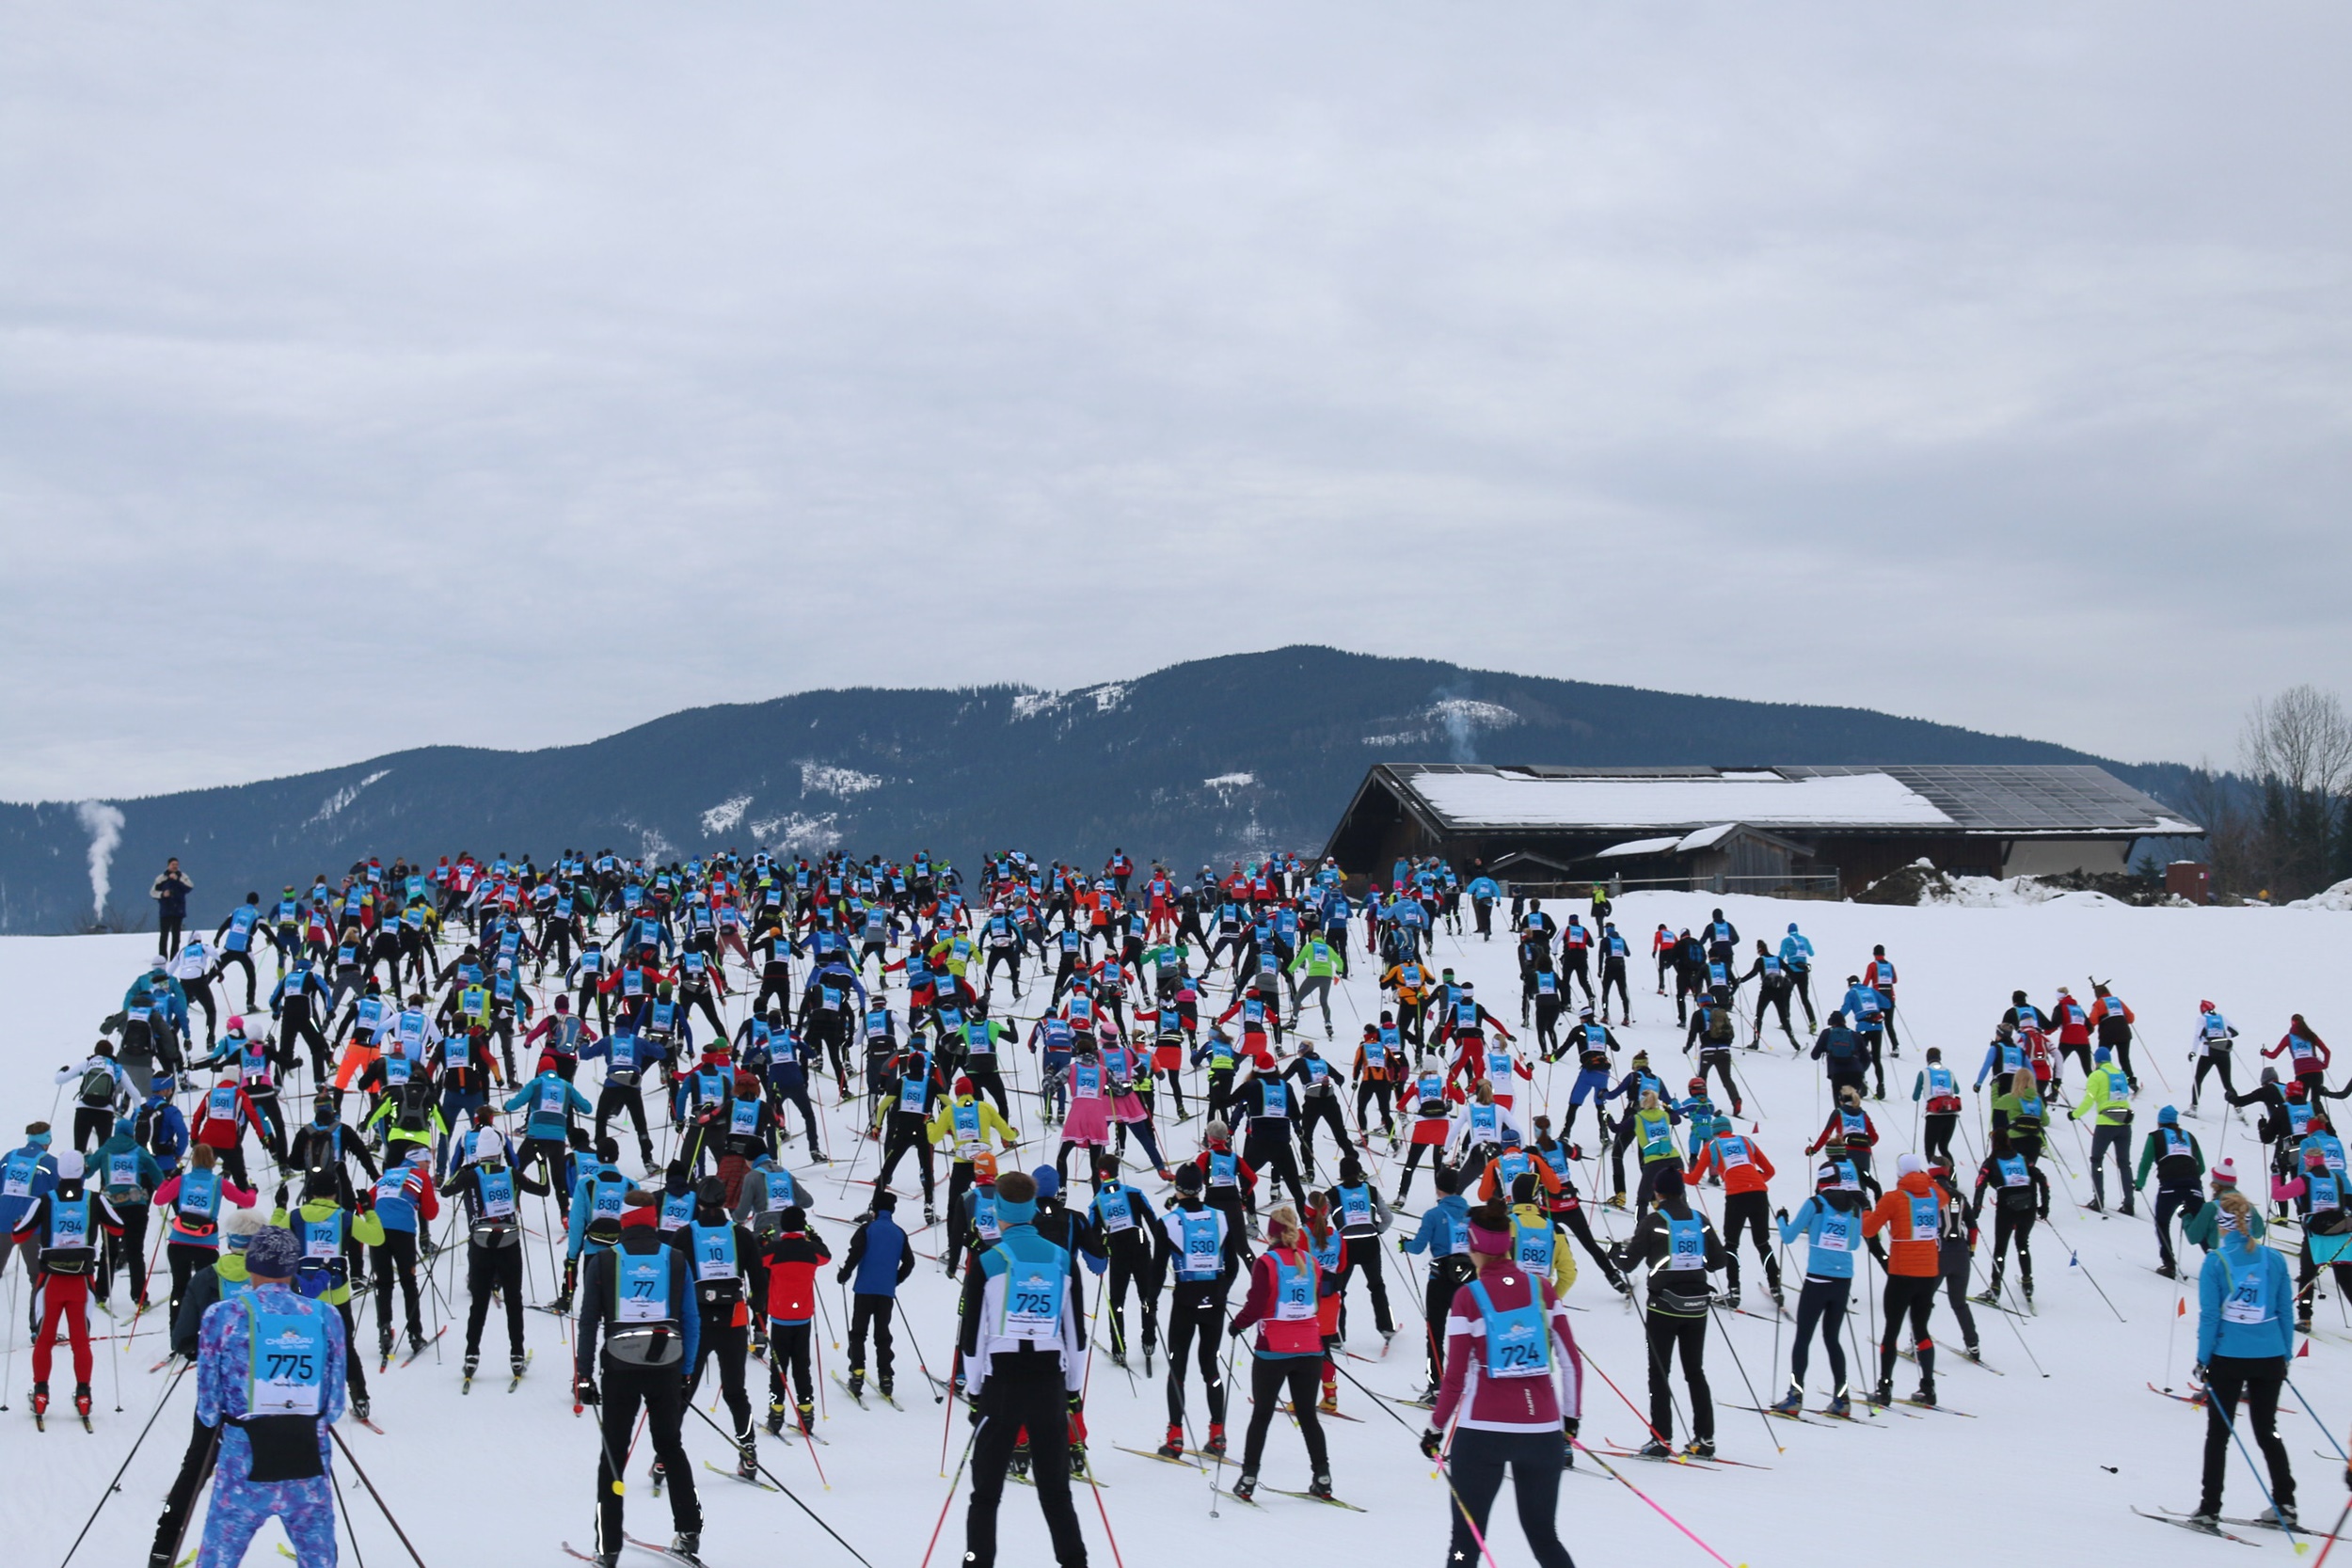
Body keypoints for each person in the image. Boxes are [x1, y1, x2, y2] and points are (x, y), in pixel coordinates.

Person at [1422, 1197, 1581, 1567]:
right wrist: (1570, 1420)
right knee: (1544, 1535)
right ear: (1509, 1243)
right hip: (1542, 1433)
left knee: (1465, 1541)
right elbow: (1571, 1362)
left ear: (1474, 1247)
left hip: (1482, 1436)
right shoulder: (1543, 1289)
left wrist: (1434, 1429)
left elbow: (1456, 1378)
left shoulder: (1468, 1297)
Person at [189, 1224, 345, 1568]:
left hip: (243, 1468)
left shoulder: (223, 1316)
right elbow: (334, 1407)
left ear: (250, 1265)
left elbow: (209, 1410)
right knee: (319, 1559)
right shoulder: (325, 1316)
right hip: (306, 1465)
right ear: (292, 1268)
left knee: (217, 1559)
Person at [956, 1168, 1089, 1568]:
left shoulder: (988, 1260)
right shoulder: (1062, 1259)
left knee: (985, 1495)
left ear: (998, 1210)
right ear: (1032, 1211)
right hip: (1048, 1382)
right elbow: (1076, 1335)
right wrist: (1072, 1388)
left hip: (1002, 1384)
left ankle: (976, 1562)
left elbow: (972, 1336)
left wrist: (975, 1391)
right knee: (1056, 1493)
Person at [574, 1188, 704, 1568]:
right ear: (653, 1219)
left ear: (623, 1220)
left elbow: (587, 1322)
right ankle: (689, 1530)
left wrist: (583, 1375)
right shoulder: (675, 1259)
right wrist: (686, 1370)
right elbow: (691, 1321)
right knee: (670, 1447)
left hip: (620, 1367)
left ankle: (608, 1545)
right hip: (666, 1365)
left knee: (613, 1455)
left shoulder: (604, 1260)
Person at [2186, 1191, 2298, 1530]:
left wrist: (2202, 1359)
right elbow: (2283, 1311)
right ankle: (2286, 1503)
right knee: (2268, 1431)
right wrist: (2286, 1355)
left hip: (2228, 1357)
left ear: (2223, 1226)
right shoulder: (2274, 1259)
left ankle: (2209, 1508)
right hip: (2270, 1357)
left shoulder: (2216, 1261)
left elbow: (2209, 1316)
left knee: (2219, 1434)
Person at [1612, 1167, 1727, 1456]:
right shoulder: (1699, 1219)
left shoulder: (1653, 1220)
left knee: (1660, 1372)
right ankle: (1705, 1438)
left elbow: (1628, 1264)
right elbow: (1718, 1261)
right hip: (1697, 1307)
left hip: (1663, 1305)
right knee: (1695, 1372)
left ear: (1658, 1192)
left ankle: (1661, 1439)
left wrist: (1614, 1252)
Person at [1225, 1204, 1334, 1500]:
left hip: (1273, 1350)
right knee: (1308, 1415)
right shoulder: (1311, 1262)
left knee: (1261, 1415)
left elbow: (1257, 1304)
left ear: (1271, 1234)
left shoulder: (1267, 1263)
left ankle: (1248, 1478)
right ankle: (1322, 1476)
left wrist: (1238, 1325)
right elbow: (1315, 1300)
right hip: (1310, 1349)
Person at [10, 1148, 123, 1425]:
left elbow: (18, 1235)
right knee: (80, 1341)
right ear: (83, 1173)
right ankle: (84, 1396)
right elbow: (119, 1227)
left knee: (45, 1338)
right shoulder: (94, 1199)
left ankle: (40, 1394)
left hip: (50, 1281)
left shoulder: (45, 1200)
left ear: (59, 1172)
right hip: (82, 1282)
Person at [1152, 1163, 1245, 1459]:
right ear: (1202, 1187)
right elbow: (1233, 1265)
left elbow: (1156, 1271)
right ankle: (1218, 1434)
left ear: (1178, 1189)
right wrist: (1221, 1290)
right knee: (1211, 1369)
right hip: (1213, 1303)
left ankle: (1175, 1436)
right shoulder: (1221, 1218)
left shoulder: (1167, 1222)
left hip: (1185, 1302)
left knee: (1177, 1368)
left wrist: (1149, 1303)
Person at [439, 1129, 546, 1386]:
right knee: (514, 1299)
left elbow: (444, 1191)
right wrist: (541, 1163)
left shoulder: (469, 1175)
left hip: (481, 1244)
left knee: (479, 1302)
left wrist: (462, 1169)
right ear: (498, 1153)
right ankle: (517, 1353)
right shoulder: (511, 1173)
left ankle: (471, 1354)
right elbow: (544, 1190)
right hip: (509, 1242)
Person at [1772, 1162, 1867, 1415]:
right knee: (1832, 1339)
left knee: (1803, 1337)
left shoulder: (1815, 1204)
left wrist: (1781, 1219)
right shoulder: (1854, 1207)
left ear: (1821, 1182)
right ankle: (1842, 1399)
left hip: (1817, 1280)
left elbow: (1788, 1236)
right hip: (1843, 1281)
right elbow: (1855, 1244)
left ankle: (1795, 1396)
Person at [1863, 1151, 1945, 1407]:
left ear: (1899, 1174)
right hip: (1929, 1272)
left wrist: (1865, 1211)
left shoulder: (1894, 1199)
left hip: (1901, 1273)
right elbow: (1941, 1193)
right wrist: (1925, 1178)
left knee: (1892, 1330)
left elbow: (1868, 1230)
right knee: (1921, 1329)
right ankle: (1928, 1387)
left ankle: (1884, 1388)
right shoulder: (1935, 1195)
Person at [836, 1190, 914, 1401]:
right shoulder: (899, 1232)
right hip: (885, 1292)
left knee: (858, 1333)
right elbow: (909, 1262)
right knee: (882, 1335)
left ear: (874, 1208)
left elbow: (856, 1253)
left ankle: (857, 1373)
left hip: (864, 1289)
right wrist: (894, 1280)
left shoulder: (867, 1229)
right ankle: (886, 1377)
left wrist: (844, 1274)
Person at [2137, 1104, 2208, 1278]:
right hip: (2193, 1185)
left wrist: (2139, 1183)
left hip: (2169, 1186)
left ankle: (2169, 1265)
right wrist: (2190, 1180)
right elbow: (2203, 1167)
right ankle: (2217, 1261)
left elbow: (2146, 1162)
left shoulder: (2155, 1136)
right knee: (2202, 1226)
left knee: (2162, 1223)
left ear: (2160, 1122)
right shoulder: (2189, 1136)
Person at [152, 858, 195, 957]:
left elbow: (189, 887)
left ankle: (174, 957)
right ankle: (162, 956)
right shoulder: (161, 878)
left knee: (176, 936)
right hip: (165, 910)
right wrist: (163, 894)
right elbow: (153, 892)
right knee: (164, 935)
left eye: (176, 864)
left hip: (178, 910)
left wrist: (177, 880)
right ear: (168, 865)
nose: (175, 866)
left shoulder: (183, 877)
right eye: (173, 864)